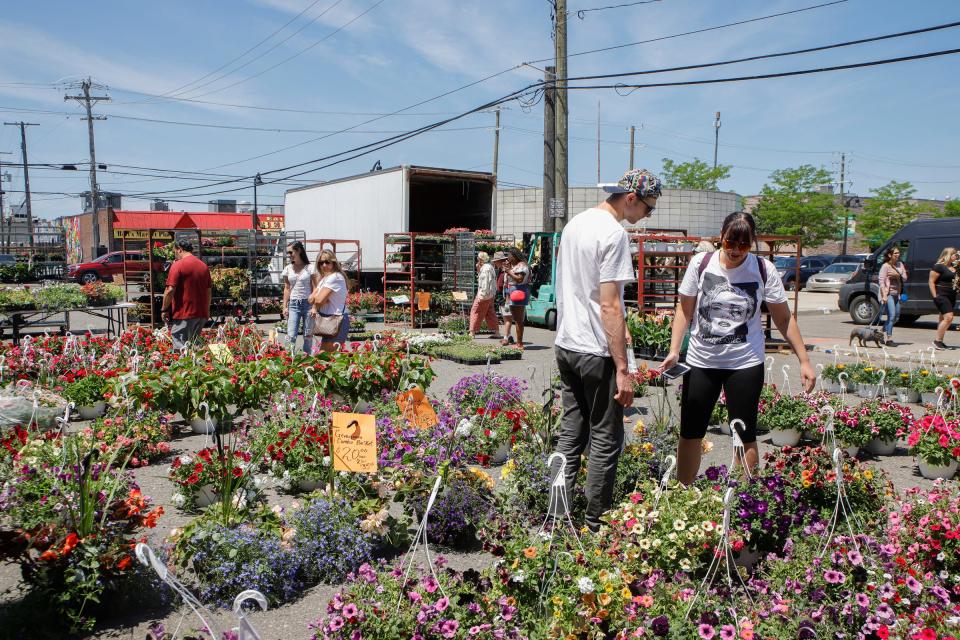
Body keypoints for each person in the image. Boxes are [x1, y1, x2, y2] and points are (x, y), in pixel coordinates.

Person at [660, 212, 816, 485]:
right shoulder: (702, 263)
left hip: (744, 363)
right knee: (691, 432)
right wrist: (675, 350)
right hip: (701, 362)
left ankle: (747, 497)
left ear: (752, 243)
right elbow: (684, 311)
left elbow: (783, 318)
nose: (734, 251)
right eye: (729, 242)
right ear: (720, 236)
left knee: (744, 433)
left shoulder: (763, 269)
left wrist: (804, 359)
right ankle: (682, 492)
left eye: (743, 246)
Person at [552, 168, 660, 532]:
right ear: (631, 199)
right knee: (605, 436)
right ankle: (594, 523)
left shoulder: (575, 224)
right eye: (648, 208)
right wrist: (623, 369)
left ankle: (556, 516)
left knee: (571, 433)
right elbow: (610, 306)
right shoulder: (613, 234)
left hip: (566, 343)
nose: (647, 216)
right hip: (595, 350)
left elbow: (579, 289)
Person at [161, 238, 211, 350]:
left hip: (184, 313)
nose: (175, 254)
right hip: (200, 313)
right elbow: (208, 291)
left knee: (181, 348)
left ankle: (182, 368)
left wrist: (164, 309)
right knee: (195, 347)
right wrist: (206, 310)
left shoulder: (178, 265)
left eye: (175, 251)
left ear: (179, 249)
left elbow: (170, 290)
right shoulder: (203, 266)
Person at [281, 241, 319, 354]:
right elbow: (287, 288)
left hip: (308, 304)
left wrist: (314, 307)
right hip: (293, 304)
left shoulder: (310, 268)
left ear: (299, 251)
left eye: (291, 252)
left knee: (308, 335)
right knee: (291, 334)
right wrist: (284, 306)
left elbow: (315, 288)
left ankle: (307, 359)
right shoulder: (288, 268)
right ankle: (289, 360)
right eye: (288, 253)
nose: (289, 255)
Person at [308, 249, 349, 352]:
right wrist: (320, 298)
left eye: (327, 262)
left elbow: (318, 300)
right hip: (328, 321)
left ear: (333, 263)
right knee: (329, 360)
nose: (324, 265)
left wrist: (320, 298)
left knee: (325, 358)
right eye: (321, 263)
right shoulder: (324, 278)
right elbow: (310, 299)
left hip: (336, 320)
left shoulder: (335, 277)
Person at [501, 247, 531, 350]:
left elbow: (519, 279)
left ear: (514, 256)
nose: (508, 257)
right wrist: (508, 269)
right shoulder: (517, 265)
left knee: (518, 320)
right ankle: (519, 342)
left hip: (518, 292)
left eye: (509, 255)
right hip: (514, 292)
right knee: (517, 319)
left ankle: (519, 344)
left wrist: (509, 271)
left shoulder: (521, 266)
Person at [929, 246, 957, 350]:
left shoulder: (955, 267)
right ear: (948, 255)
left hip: (952, 295)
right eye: (954, 254)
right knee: (949, 318)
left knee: (942, 318)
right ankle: (937, 341)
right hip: (941, 295)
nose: (956, 256)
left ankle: (940, 341)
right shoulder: (939, 267)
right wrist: (935, 296)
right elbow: (931, 282)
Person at [879, 246, 908, 346]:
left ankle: (880, 332)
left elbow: (905, 278)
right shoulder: (885, 266)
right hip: (889, 294)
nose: (898, 255)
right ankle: (889, 339)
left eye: (898, 253)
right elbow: (881, 281)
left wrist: (897, 275)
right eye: (895, 253)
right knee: (891, 316)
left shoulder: (900, 264)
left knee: (896, 317)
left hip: (897, 294)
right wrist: (884, 296)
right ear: (890, 255)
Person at [469, 251, 501, 339]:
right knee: (490, 312)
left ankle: (472, 332)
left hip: (484, 294)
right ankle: (496, 332)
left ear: (480, 259)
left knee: (475, 311)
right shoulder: (489, 267)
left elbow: (485, 282)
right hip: (490, 294)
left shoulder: (486, 268)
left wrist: (482, 295)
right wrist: (478, 269)